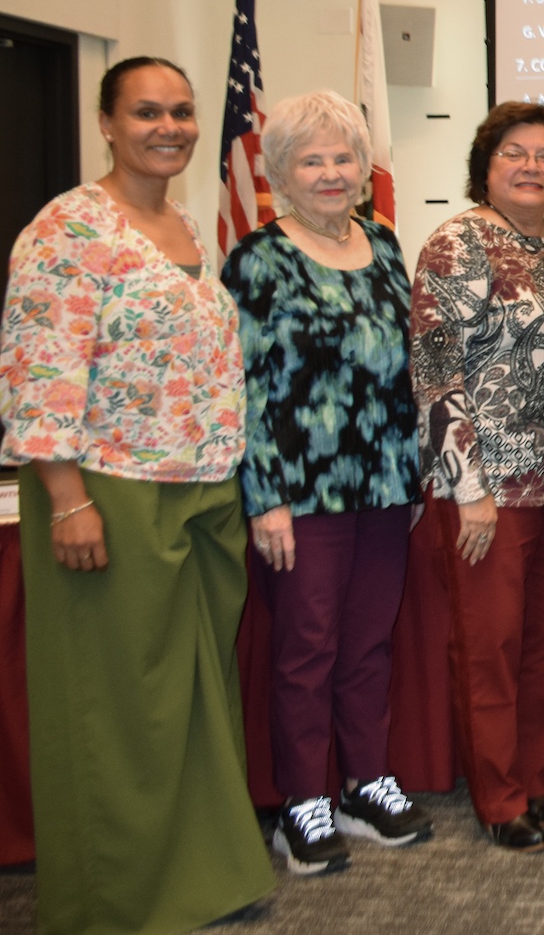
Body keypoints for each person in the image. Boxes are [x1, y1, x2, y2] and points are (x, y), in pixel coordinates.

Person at [1, 57, 275, 931]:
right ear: (107, 124)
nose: (171, 126)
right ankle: (116, 900)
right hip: (109, 489)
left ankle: (202, 876)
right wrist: (66, 495)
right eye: (148, 112)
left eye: (183, 112)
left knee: (193, 694)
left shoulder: (186, 224)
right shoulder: (70, 228)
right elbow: (41, 368)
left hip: (201, 482)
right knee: (115, 704)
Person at [223, 90, 431, 875]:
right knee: (306, 648)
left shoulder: (383, 244)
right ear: (279, 171)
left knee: (369, 641)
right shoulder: (258, 258)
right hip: (301, 492)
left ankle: (365, 780)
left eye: (343, 156)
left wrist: (412, 472)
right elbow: (239, 384)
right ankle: (301, 800)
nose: (332, 172)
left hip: (383, 484)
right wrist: (263, 494)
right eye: (312, 159)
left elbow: (404, 367)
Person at [410, 102, 544, 853]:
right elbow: (434, 369)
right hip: (489, 491)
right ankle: (497, 794)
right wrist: (466, 485)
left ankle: (536, 779)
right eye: (514, 152)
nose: (531, 165)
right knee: (491, 644)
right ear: (486, 163)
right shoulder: (457, 242)